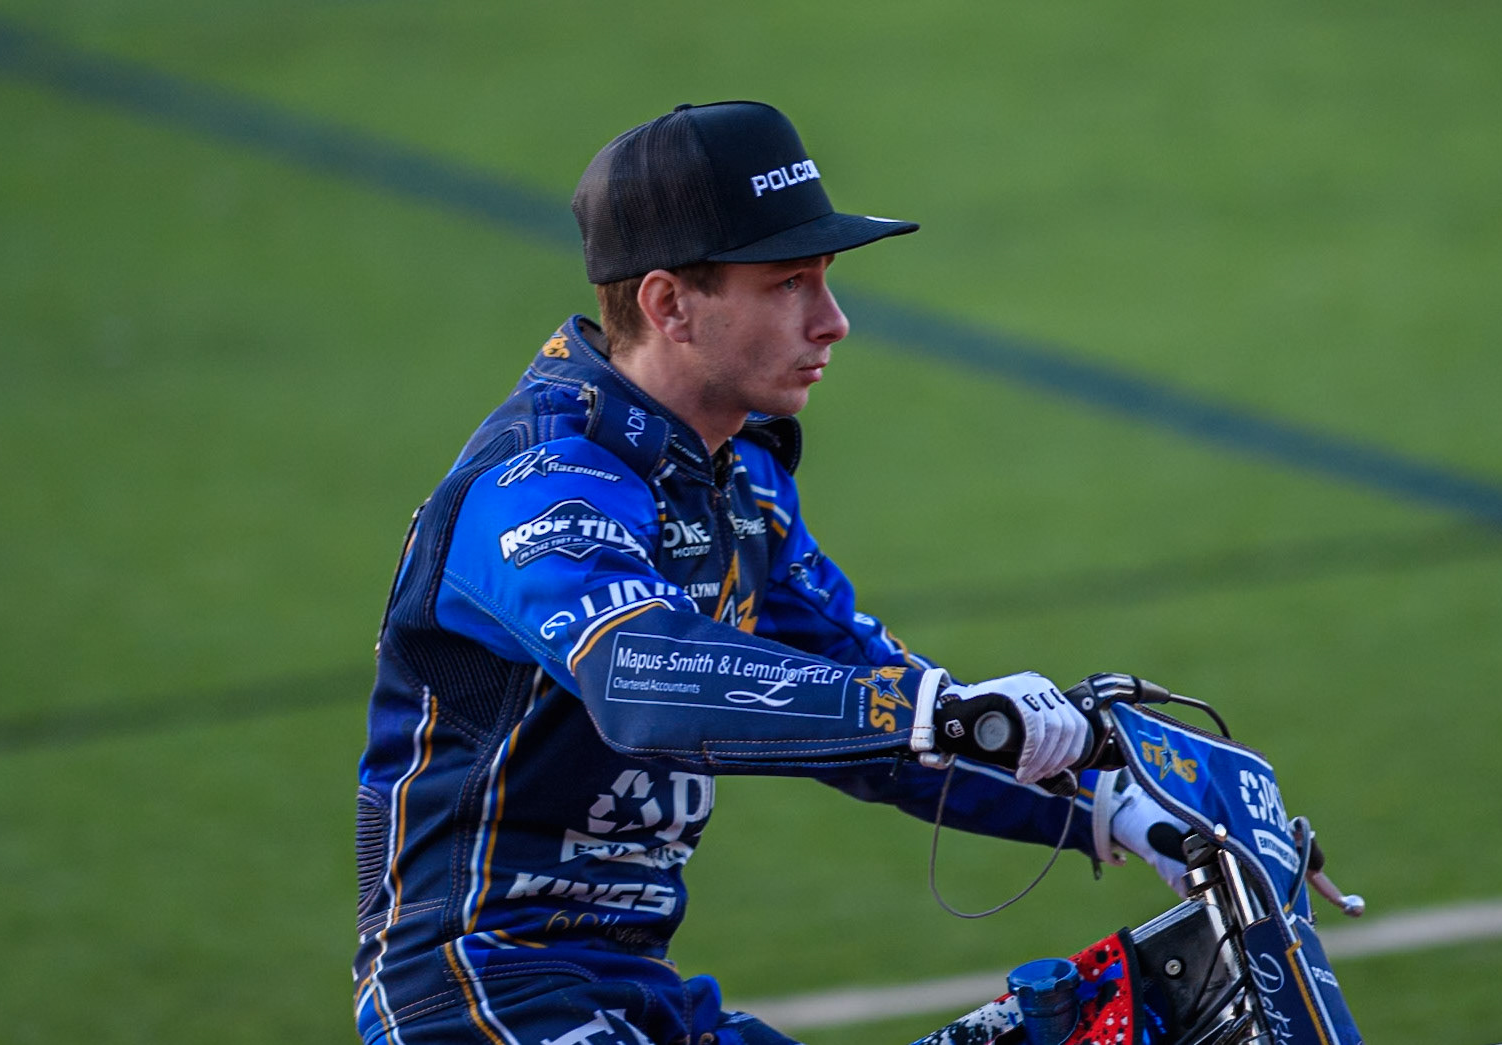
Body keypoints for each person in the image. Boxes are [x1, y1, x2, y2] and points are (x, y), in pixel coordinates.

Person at [353, 100, 1183, 1045]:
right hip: (479, 993)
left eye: (824, 278)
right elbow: (638, 673)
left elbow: (877, 699)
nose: (831, 321)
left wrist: (1115, 803)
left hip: (633, 987)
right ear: (669, 304)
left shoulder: (737, 481)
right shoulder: (536, 482)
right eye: (789, 282)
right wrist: (925, 716)